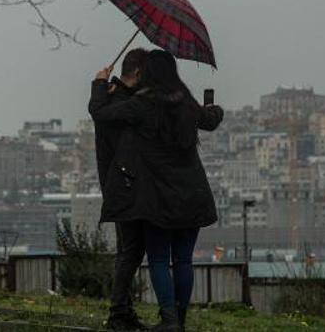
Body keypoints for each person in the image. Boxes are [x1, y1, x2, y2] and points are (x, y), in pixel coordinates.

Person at [88, 50, 224, 332]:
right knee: (184, 260)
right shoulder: (186, 103)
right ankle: (180, 319)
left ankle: (169, 320)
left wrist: (100, 82)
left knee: (159, 258)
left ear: (146, 73)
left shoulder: (142, 105)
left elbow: (100, 113)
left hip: (158, 198)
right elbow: (210, 120)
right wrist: (215, 108)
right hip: (193, 194)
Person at [92, 49, 149, 331]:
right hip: (124, 185)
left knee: (128, 249)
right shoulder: (118, 102)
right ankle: (118, 313)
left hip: (119, 184)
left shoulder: (113, 96)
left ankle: (123, 311)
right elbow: (100, 113)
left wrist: (101, 85)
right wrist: (100, 86)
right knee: (132, 250)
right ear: (138, 73)